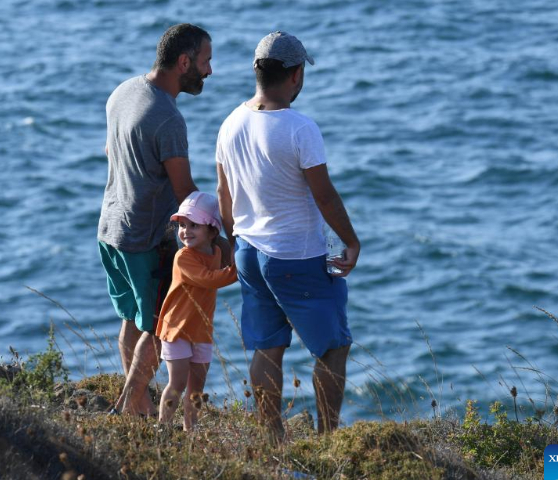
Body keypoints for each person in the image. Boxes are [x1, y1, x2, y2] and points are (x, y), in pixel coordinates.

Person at [215, 31, 361, 439]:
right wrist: (351, 241)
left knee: (267, 346)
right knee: (333, 346)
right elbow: (325, 196)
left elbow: (224, 194)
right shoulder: (300, 127)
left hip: (247, 249)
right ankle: (328, 436)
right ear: (296, 75)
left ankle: (272, 436)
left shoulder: (230, 123)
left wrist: (233, 242)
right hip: (294, 255)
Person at [97, 23, 218, 416]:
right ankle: (126, 409)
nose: (209, 71)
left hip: (111, 229)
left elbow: (110, 149)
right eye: (205, 61)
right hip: (145, 239)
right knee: (156, 327)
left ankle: (139, 412)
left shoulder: (123, 92)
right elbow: (185, 193)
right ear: (184, 62)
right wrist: (221, 229)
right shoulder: (168, 118)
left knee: (133, 320)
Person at [155, 192, 237, 430]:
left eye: (194, 226)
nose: (185, 231)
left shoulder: (217, 253)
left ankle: (190, 430)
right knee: (177, 383)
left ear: (212, 231)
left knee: (197, 389)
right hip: (177, 329)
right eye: (182, 225)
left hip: (201, 331)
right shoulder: (183, 257)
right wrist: (240, 269)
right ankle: (163, 428)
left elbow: (218, 269)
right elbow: (209, 279)